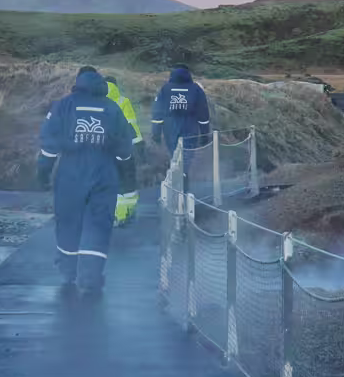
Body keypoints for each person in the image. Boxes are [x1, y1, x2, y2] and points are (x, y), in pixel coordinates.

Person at [36, 66, 135, 289]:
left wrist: (43, 172)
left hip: (70, 174)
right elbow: (124, 148)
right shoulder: (112, 108)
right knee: (99, 224)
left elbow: (50, 144)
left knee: (68, 221)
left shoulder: (64, 105)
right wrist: (125, 173)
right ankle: (91, 276)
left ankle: (68, 271)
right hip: (104, 174)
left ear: (78, 82)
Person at [102, 74, 146, 226]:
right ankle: (125, 214)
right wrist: (139, 145)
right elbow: (131, 124)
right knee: (125, 181)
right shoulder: (123, 101)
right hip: (122, 148)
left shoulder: (95, 100)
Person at [150, 63, 212, 157]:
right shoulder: (196, 89)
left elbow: (158, 112)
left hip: (170, 126)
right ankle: (185, 171)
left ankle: (176, 169)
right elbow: (203, 114)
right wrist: (205, 134)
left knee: (174, 154)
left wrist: (156, 133)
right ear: (189, 74)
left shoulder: (165, 89)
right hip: (190, 127)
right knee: (187, 155)